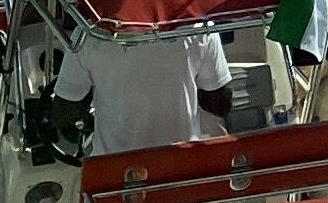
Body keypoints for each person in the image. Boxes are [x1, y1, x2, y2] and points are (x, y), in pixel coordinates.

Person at [50, 19, 235, 155]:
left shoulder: (88, 34)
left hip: (116, 167)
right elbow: (220, 105)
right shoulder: (200, 28)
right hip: (180, 162)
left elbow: (64, 113)